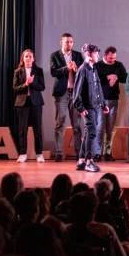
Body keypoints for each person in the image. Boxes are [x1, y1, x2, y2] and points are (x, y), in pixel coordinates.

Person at [49, 33, 84, 162]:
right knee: (60, 123)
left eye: (71, 42)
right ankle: (59, 153)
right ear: (61, 42)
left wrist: (75, 69)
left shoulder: (78, 55)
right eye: (66, 42)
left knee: (77, 125)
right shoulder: (55, 55)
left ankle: (79, 153)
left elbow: (82, 72)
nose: (68, 44)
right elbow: (53, 72)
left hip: (75, 93)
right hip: (61, 93)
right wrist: (66, 68)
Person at [73, 44, 108, 172]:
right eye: (96, 53)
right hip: (87, 107)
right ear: (88, 54)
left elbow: (98, 88)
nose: (98, 55)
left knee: (89, 132)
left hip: (95, 106)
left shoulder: (93, 69)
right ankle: (89, 161)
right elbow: (76, 93)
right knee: (92, 132)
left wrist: (103, 104)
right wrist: (81, 108)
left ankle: (81, 160)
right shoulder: (83, 70)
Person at [12, 49, 46, 163]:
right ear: (23, 58)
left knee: (37, 130)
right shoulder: (18, 71)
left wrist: (33, 82)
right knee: (22, 130)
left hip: (36, 103)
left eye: (30, 56)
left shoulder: (38, 71)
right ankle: (22, 154)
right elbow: (15, 88)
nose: (28, 58)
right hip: (22, 103)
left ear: (33, 59)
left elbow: (42, 87)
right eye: (26, 56)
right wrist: (25, 84)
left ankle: (39, 154)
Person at [95, 46, 127, 161]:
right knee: (100, 127)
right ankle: (97, 153)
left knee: (110, 128)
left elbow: (125, 78)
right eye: (110, 58)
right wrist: (107, 77)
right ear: (105, 56)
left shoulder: (119, 65)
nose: (112, 60)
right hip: (100, 100)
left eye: (114, 58)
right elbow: (94, 81)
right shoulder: (97, 66)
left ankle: (108, 153)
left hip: (114, 100)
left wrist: (116, 76)